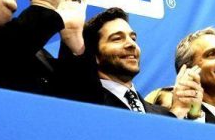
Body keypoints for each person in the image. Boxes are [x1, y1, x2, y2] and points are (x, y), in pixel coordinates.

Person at [70, 7, 201, 118]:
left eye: (133, 38)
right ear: (94, 55)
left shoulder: (163, 114)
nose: (131, 44)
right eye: (117, 39)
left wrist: (183, 109)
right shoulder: (84, 104)